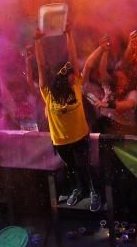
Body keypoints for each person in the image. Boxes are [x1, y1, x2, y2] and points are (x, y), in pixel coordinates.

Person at [31, 26, 103, 212]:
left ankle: (95, 192)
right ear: (62, 77)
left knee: (85, 165)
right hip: (60, 141)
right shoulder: (47, 91)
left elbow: (73, 56)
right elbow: (40, 66)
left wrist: (69, 34)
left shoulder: (76, 86)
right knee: (72, 168)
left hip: (80, 136)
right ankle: (80, 189)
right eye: (71, 73)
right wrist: (38, 41)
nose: (74, 74)